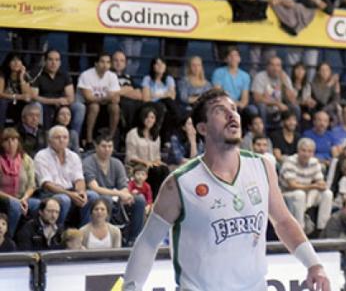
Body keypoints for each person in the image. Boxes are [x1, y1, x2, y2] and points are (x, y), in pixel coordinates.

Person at [117, 88, 331, 291]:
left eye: (234, 109)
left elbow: (283, 221)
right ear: (202, 128)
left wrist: (314, 264)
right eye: (220, 110)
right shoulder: (180, 183)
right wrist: (130, 287)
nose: (232, 115)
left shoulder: (263, 167)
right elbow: (147, 242)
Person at [84, 132, 146, 245]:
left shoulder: (117, 163)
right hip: (97, 196)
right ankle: (106, 238)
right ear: (96, 146)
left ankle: (134, 239)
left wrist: (125, 195)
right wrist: (119, 194)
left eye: (110, 146)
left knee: (139, 200)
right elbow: (94, 187)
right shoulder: (88, 162)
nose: (107, 149)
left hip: (116, 197)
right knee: (106, 200)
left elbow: (124, 187)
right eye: (103, 146)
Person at [34, 125, 91, 226]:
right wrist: (70, 195)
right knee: (65, 199)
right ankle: (58, 232)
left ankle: (84, 230)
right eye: (57, 137)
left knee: (92, 196)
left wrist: (81, 193)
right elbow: (47, 185)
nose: (61, 140)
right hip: (49, 194)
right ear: (49, 140)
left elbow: (79, 179)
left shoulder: (73, 156)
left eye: (65, 137)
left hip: (71, 192)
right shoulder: (41, 156)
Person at [0, 128, 36, 244]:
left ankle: (30, 238)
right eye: (7, 140)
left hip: (22, 197)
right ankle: (8, 239)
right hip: (3, 198)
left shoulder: (26, 160)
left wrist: (24, 198)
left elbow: (32, 185)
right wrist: (17, 200)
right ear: (2, 143)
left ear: (19, 142)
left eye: (14, 139)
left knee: (38, 205)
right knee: (15, 205)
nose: (11, 143)